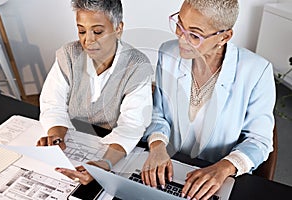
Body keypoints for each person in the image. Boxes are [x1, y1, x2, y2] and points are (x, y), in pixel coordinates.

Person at [141, 0, 276, 199]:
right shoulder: (167, 53)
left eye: (194, 35)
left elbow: (259, 140)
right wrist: (158, 145)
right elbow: (158, 113)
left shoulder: (257, 71)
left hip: (217, 180)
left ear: (224, 36)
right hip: (172, 168)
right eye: (179, 25)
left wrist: (224, 168)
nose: (181, 38)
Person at [37, 0, 153, 185]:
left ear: (118, 29)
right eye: (81, 30)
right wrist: (56, 135)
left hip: (113, 147)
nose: (87, 40)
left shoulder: (137, 66)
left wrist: (104, 163)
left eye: (97, 32)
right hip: (75, 140)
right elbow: (53, 104)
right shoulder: (69, 54)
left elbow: (131, 126)